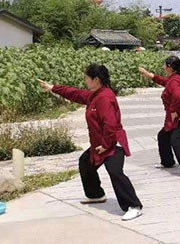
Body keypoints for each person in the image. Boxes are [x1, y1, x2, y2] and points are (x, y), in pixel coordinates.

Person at [38, 65, 143, 221]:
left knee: (115, 172)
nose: (84, 80)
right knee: (86, 163)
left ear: (96, 80)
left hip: (112, 143)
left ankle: (134, 206)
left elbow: (110, 124)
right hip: (100, 144)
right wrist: (54, 88)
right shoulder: (95, 95)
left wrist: (106, 145)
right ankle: (96, 195)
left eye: (87, 78)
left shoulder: (105, 98)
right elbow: (76, 94)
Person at [138, 56, 180, 179]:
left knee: (176, 141)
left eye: (165, 66)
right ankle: (168, 162)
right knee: (163, 136)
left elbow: (177, 94)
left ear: (170, 67)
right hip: (174, 117)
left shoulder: (175, 81)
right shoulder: (174, 79)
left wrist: (173, 110)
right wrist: (150, 75)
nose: (163, 68)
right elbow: (165, 82)